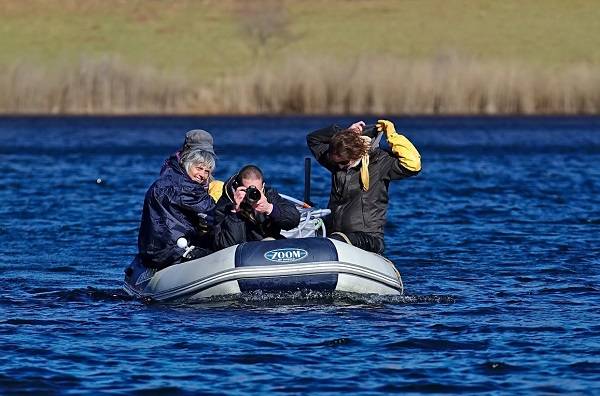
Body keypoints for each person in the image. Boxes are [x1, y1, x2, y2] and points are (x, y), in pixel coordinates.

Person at [306, 119, 421, 254]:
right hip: (334, 233)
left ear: (356, 155)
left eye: (343, 163)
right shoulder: (337, 161)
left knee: (336, 240)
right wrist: (344, 133)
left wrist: (392, 136)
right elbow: (313, 139)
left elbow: (413, 164)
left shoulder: (380, 163)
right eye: (336, 163)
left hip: (368, 238)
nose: (340, 167)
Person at [137, 145, 217, 270]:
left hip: (151, 249)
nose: (202, 174)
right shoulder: (187, 187)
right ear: (188, 165)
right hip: (172, 251)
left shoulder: (167, 177)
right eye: (199, 168)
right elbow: (213, 213)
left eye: (207, 171)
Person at [213, 165, 301, 250]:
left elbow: (294, 219)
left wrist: (269, 209)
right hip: (241, 253)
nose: (252, 194)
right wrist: (235, 211)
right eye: (247, 190)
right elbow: (225, 246)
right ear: (238, 187)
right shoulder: (226, 204)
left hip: (267, 248)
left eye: (256, 191)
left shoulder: (268, 196)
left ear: (263, 187)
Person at [160, 129, 224, 203]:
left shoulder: (207, 178)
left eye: (207, 154)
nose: (204, 156)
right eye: (200, 152)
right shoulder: (172, 173)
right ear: (187, 150)